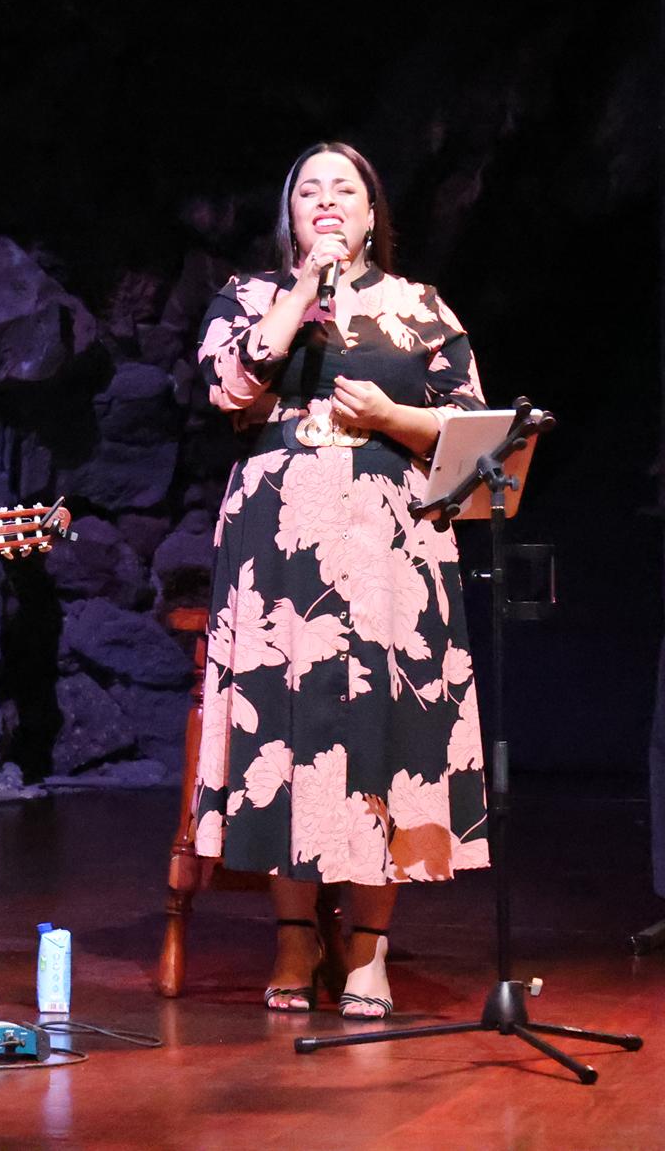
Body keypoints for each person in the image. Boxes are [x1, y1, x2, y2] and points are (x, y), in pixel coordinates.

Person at [191, 142, 488, 1020]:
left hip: (392, 544)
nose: (326, 203)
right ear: (291, 216)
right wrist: (298, 295)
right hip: (277, 542)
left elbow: (476, 433)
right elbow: (230, 390)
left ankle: (366, 940)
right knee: (285, 722)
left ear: (370, 215)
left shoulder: (420, 308)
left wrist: (391, 415)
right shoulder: (250, 298)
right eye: (308, 192)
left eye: (344, 192)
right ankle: (292, 931)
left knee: (381, 724)